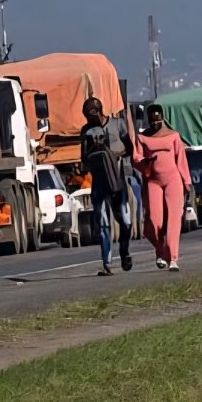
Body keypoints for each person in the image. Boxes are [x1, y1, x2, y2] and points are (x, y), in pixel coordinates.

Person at [79, 96, 137, 276]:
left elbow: (130, 148)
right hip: (99, 182)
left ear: (98, 111)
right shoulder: (86, 131)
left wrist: (113, 154)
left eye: (90, 114)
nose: (89, 119)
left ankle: (124, 250)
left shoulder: (117, 125)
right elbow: (83, 158)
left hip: (118, 179)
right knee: (103, 224)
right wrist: (94, 152)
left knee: (126, 222)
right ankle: (107, 263)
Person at [137, 104, 192, 272]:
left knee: (173, 219)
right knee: (154, 220)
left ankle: (173, 257)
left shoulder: (173, 136)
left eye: (158, 119)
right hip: (152, 181)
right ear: (148, 120)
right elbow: (136, 157)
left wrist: (186, 181)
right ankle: (159, 250)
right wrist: (145, 162)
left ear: (162, 118)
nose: (156, 123)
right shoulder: (142, 138)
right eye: (152, 121)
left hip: (173, 180)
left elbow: (181, 159)